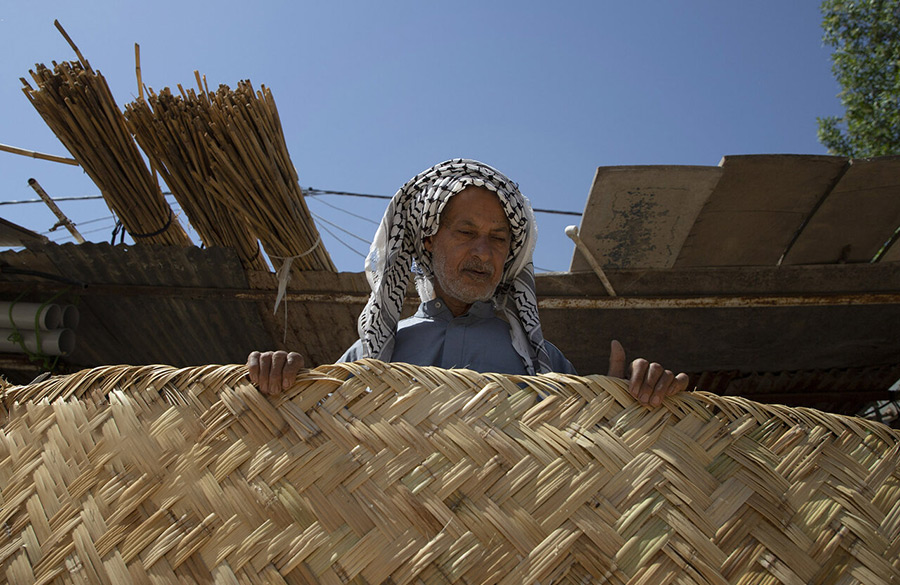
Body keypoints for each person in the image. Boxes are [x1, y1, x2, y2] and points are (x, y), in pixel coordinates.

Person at [249, 159, 689, 405]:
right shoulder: (373, 353)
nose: (483, 252)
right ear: (429, 240)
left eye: (498, 239)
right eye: (465, 232)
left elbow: (590, 448)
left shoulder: (544, 363)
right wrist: (282, 381)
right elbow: (318, 431)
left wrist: (630, 400)